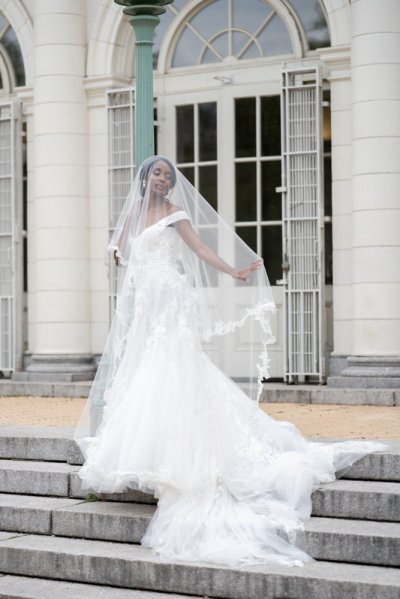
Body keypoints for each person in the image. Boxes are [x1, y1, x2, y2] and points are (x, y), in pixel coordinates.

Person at [74, 155, 387, 567]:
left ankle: (182, 455)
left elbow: (200, 248)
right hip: (146, 300)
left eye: (168, 173)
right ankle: (150, 451)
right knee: (150, 368)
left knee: (175, 365)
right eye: (158, 172)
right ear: (145, 178)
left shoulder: (174, 213)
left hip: (170, 296)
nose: (164, 178)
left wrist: (234, 272)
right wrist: (117, 253)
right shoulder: (132, 214)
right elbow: (122, 251)